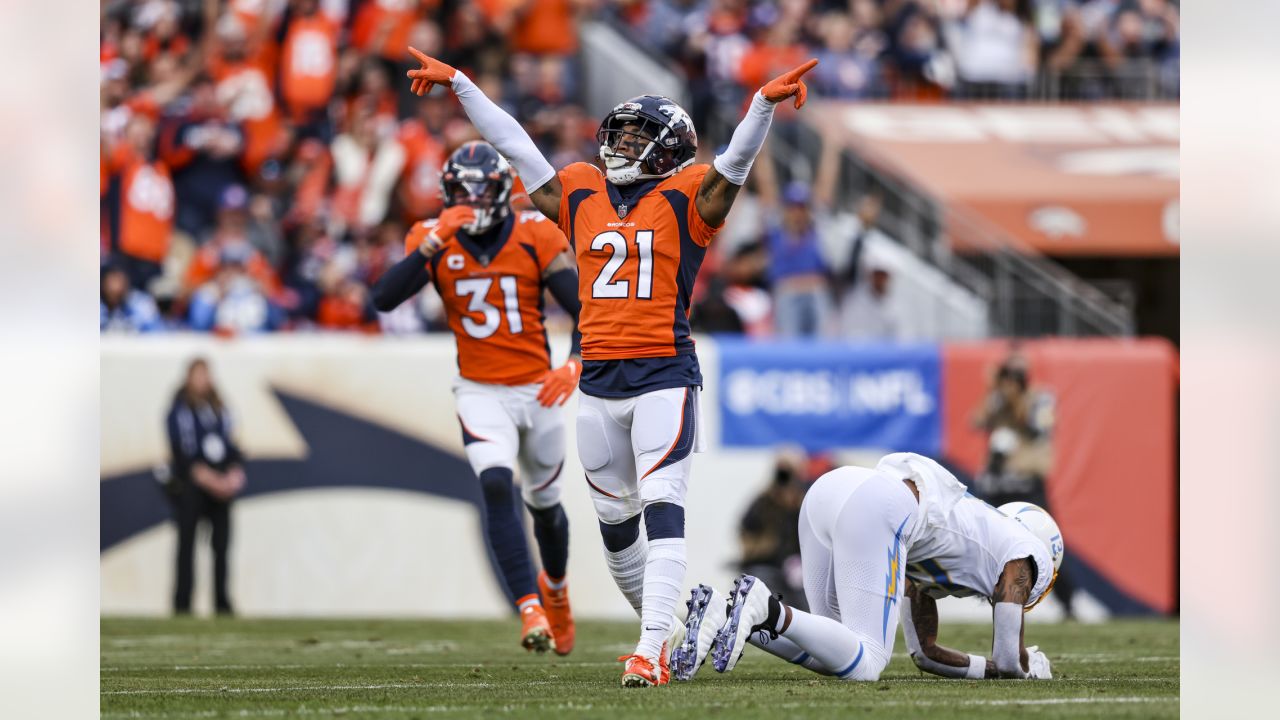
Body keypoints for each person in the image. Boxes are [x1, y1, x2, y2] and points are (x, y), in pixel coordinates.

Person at [405, 44, 819, 687]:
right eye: (619, 133)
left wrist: (760, 105)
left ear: (667, 145)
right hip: (597, 381)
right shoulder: (579, 189)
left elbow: (734, 166)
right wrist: (461, 83)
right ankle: (671, 631)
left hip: (661, 373)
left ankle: (650, 648)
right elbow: (518, 150)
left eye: (636, 135)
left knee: (662, 504)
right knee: (615, 529)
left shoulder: (688, 195)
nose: (621, 143)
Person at [372, 141, 583, 656]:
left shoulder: (535, 232)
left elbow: (586, 309)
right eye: (457, 190)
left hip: (539, 390)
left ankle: (554, 589)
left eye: (476, 189)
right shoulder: (432, 236)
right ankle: (529, 607)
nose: (466, 199)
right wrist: (429, 247)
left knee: (547, 507)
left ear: (499, 191)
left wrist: (574, 363)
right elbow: (382, 299)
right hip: (480, 389)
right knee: (494, 484)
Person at [672, 452, 1063, 683]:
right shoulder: (1027, 551)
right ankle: (765, 605)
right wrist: (1027, 667)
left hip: (830, 492)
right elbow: (1011, 660)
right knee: (869, 663)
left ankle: (725, 614)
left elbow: (924, 654)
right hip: (878, 505)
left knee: (835, 652)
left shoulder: (967, 543)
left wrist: (987, 668)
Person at [972, 351, 1076, 617]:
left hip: (1027, 480)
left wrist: (1014, 398)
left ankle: (1067, 601)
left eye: (1015, 377)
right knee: (983, 540)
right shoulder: (997, 397)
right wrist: (993, 391)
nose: (1011, 382)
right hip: (999, 481)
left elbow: (1035, 427)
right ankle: (997, 598)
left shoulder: (1041, 397)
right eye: (1008, 375)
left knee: (1045, 542)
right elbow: (977, 421)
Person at [166, 358, 246, 616]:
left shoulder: (220, 409)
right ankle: (182, 604)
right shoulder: (180, 410)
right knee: (186, 546)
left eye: (206, 375)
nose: (203, 380)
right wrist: (210, 479)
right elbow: (183, 454)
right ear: (189, 378)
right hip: (192, 488)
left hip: (221, 489)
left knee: (221, 547)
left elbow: (232, 445)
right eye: (198, 375)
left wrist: (233, 473)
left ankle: (222, 603)